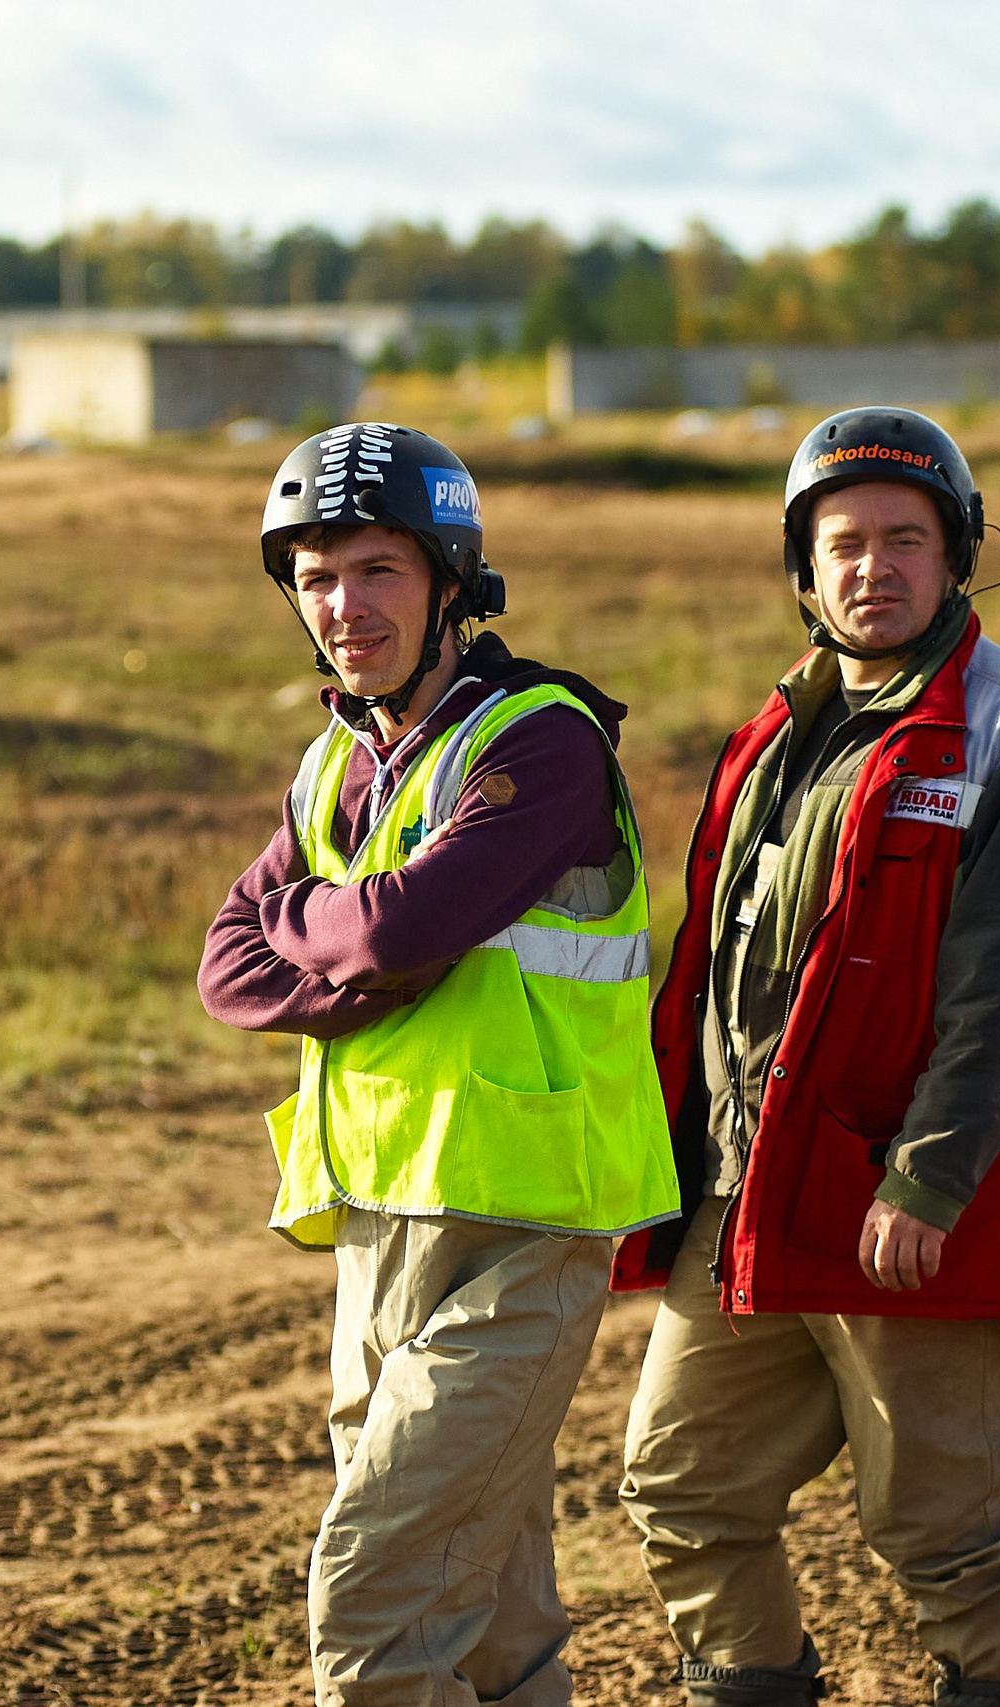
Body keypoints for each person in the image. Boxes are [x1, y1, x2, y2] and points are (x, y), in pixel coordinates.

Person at [610, 407, 1000, 1707]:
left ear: (957, 557)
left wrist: (928, 1178)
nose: (872, 568)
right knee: (683, 1485)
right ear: (804, 565)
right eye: (843, 544)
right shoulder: (781, 727)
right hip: (752, 1190)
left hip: (910, 1213)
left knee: (952, 1531)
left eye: (905, 540)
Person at [200, 422, 679, 1707]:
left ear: (449, 582)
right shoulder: (333, 763)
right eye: (316, 578)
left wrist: (332, 932)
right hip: (380, 1219)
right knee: (493, 1614)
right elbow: (226, 968)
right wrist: (351, 943)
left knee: (378, 1594)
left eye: (378, 571)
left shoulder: (540, 741)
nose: (344, 607)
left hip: (526, 1225)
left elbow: (399, 930)